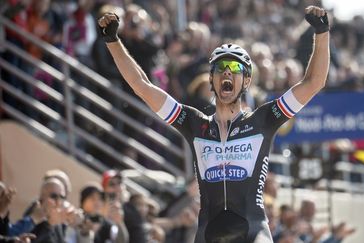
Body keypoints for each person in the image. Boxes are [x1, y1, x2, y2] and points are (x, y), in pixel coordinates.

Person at [98, 5, 329, 242]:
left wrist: (321, 34)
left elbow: (314, 82)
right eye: (220, 68)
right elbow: (142, 85)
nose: (226, 73)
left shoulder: (263, 120)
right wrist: (113, 41)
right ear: (211, 79)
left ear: (246, 80)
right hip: (209, 232)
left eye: (235, 68)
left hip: (253, 231)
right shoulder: (194, 123)